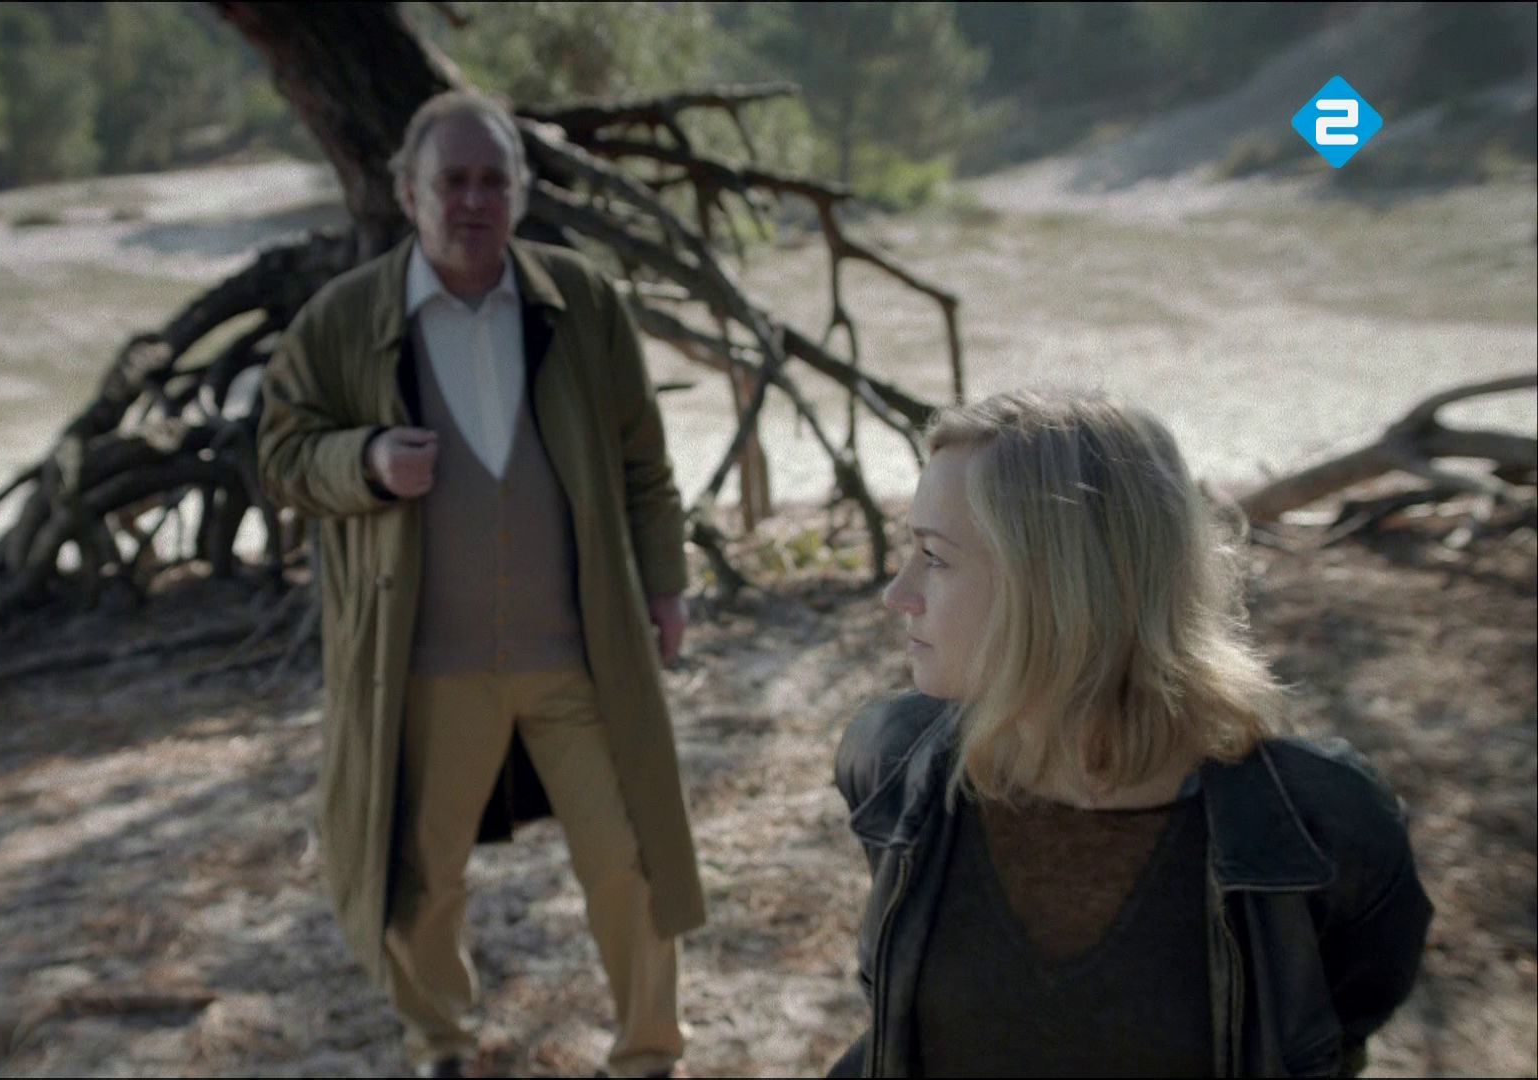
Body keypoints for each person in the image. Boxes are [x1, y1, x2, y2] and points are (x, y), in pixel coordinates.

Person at [256, 89, 704, 1079]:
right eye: (451, 180)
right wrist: (366, 460)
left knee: (630, 859)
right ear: (408, 193)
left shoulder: (581, 303)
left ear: (521, 192)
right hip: (426, 666)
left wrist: (665, 587)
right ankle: (443, 1047)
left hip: (579, 656)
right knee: (420, 879)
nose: (472, 199)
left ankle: (648, 1055)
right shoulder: (343, 320)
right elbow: (280, 456)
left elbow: (643, 463)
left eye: (491, 180)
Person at [831, 389, 1433, 1078]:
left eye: (934, 557)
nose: (897, 594)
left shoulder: (1320, 826)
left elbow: (1343, 1017)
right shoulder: (892, 760)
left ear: (1062, 585)